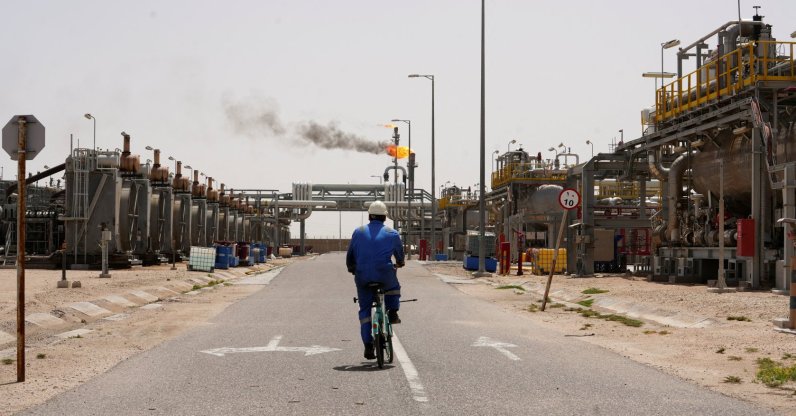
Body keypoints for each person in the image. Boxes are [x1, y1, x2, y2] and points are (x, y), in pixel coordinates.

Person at [346, 200, 405, 360]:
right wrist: (399, 263)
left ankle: (368, 346)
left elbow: (350, 255)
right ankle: (393, 312)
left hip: (363, 275)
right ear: (385, 217)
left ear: (369, 216)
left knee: (365, 310)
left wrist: (352, 268)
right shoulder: (392, 233)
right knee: (393, 287)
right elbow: (399, 255)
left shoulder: (358, 232)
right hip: (384, 273)